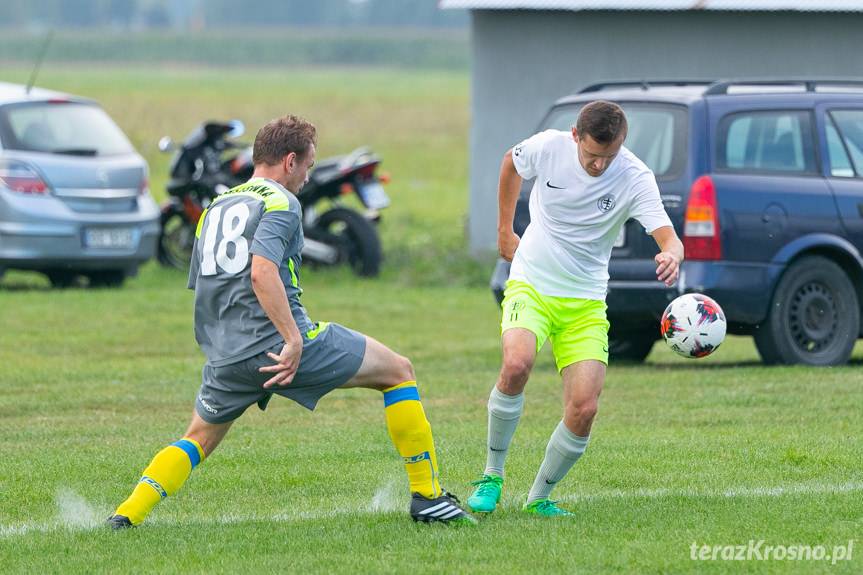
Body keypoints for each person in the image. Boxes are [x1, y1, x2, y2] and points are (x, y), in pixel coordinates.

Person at [108, 115, 473, 528]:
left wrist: (223, 349)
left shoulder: (215, 206)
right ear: (289, 161)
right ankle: (428, 497)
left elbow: (205, 286)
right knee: (398, 371)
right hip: (281, 348)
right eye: (308, 166)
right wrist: (292, 339)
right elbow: (261, 271)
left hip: (226, 356)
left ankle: (126, 515)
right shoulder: (281, 202)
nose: (307, 176)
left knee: (197, 438)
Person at [467, 101, 684, 517]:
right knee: (517, 364)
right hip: (532, 282)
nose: (600, 165)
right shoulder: (548, 148)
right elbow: (510, 164)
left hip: (585, 300)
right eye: (591, 156)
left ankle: (539, 497)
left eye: (609, 155)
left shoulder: (635, 176)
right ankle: (492, 476)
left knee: (584, 407)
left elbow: (668, 238)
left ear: (622, 143)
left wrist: (672, 254)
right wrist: (504, 230)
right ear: (574, 136)